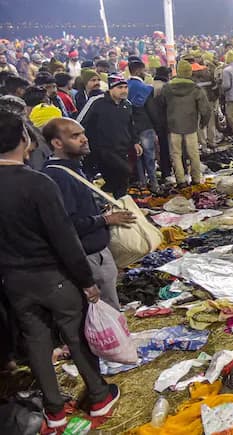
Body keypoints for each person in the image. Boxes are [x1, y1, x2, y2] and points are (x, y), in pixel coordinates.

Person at [0, 111, 120, 430]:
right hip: (53, 276)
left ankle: (54, 412)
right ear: (25, 140)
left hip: (14, 281)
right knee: (76, 334)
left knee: (37, 341)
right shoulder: (38, 182)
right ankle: (98, 397)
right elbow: (64, 236)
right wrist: (85, 280)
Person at [41, 118, 135, 311]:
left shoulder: (73, 168)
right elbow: (67, 225)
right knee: (105, 315)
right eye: (75, 136)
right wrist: (106, 219)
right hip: (87, 257)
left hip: (96, 253)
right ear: (57, 143)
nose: (84, 139)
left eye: (83, 133)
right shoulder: (59, 176)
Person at [77, 74, 142, 198]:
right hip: (103, 150)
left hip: (122, 149)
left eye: (125, 87)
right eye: (120, 87)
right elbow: (79, 123)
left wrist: (135, 142)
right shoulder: (97, 102)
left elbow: (130, 125)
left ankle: (117, 204)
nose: (124, 90)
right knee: (124, 172)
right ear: (111, 88)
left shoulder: (127, 104)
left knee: (120, 183)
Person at [156, 60, 210, 188]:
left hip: (173, 126)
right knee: (193, 153)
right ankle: (196, 179)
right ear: (189, 72)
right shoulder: (196, 88)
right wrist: (203, 123)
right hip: (191, 126)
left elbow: (161, 106)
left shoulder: (167, 88)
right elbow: (205, 109)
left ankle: (181, 180)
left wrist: (164, 123)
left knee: (176, 154)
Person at [127, 60, 158, 192]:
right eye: (144, 71)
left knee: (138, 155)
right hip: (145, 125)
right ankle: (154, 182)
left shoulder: (124, 86)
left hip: (131, 126)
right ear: (138, 71)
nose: (145, 73)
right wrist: (157, 126)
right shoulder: (146, 89)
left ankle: (143, 182)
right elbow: (151, 110)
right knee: (149, 155)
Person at [150, 66, 172, 181]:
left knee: (155, 148)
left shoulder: (150, 84)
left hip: (151, 121)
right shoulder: (164, 87)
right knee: (164, 147)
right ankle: (166, 171)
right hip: (162, 121)